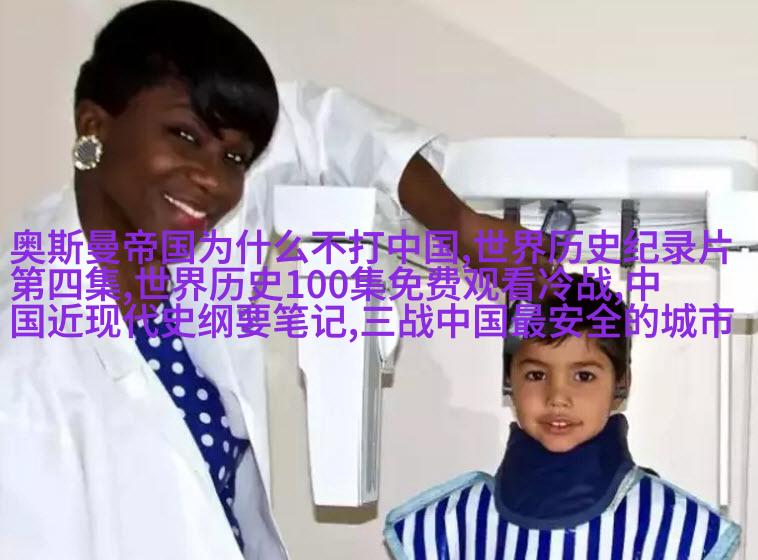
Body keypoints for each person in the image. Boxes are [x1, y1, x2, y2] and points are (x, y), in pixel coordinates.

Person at [0, 1, 550, 559]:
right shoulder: (23, 370)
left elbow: (317, 128)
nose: (213, 179)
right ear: (94, 126)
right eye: (184, 135)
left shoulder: (186, 233)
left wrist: (461, 226)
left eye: (235, 158)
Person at [385, 272, 741, 559]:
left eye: (583, 376)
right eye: (536, 374)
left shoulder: (678, 531)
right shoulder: (448, 528)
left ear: (621, 383)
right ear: (509, 380)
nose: (557, 398)